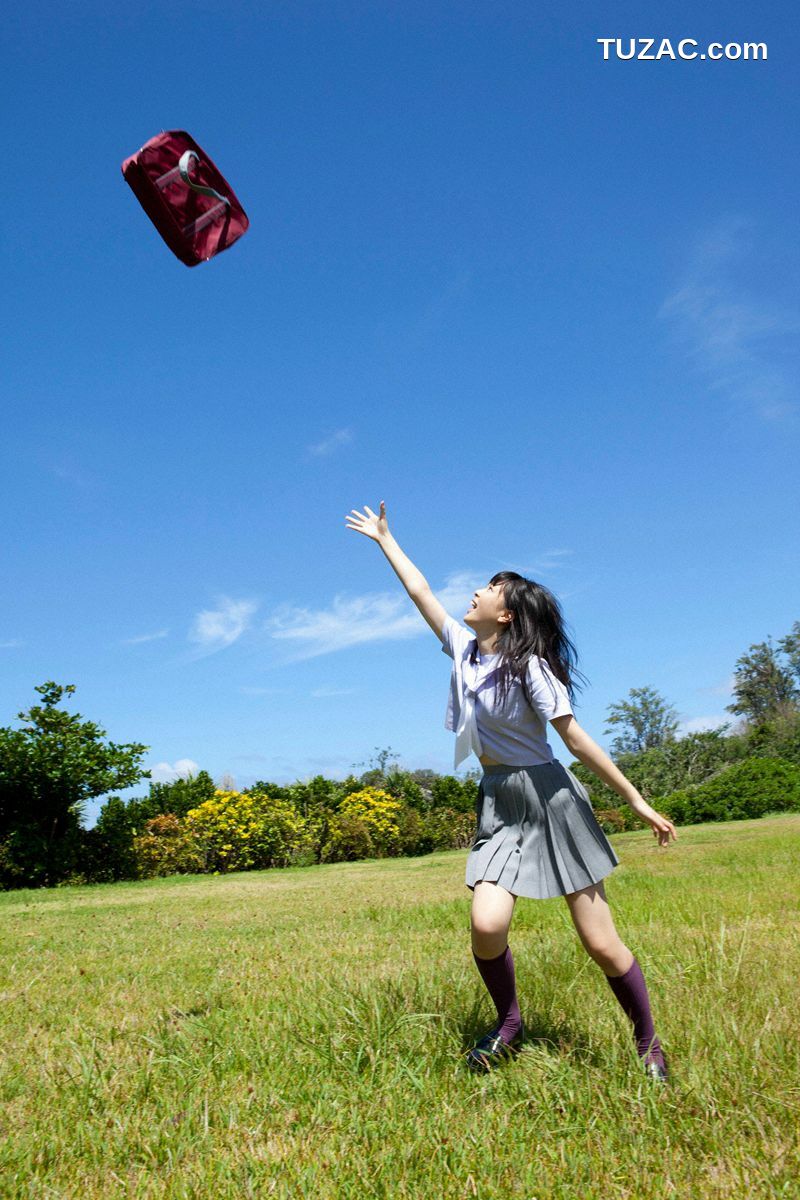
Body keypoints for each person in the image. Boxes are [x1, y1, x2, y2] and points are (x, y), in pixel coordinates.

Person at [345, 501, 677, 1082]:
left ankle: (648, 1043)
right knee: (487, 924)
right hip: (499, 801)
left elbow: (576, 740)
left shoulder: (531, 669)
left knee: (600, 942)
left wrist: (635, 800)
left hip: (550, 800)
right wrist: (384, 540)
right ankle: (510, 1025)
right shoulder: (462, 650)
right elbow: (420, 592)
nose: (475, 591)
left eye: (491, 588)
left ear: (507, 614)